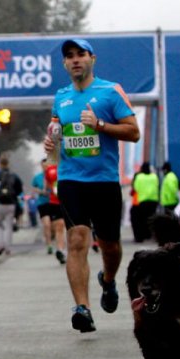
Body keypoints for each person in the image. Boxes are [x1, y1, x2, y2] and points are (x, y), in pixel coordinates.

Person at [43, 38, 140, 333]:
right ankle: (82, 308)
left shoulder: (111, 92)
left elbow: (134, 132)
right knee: (77, 240)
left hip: (105, 182)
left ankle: (108, 280)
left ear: (92, 59)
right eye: (69, 56)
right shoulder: (61, 97)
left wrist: (100, 125)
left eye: (80, 55)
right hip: (72, 180)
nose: (75, 60)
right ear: (64, 64)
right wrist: (51, 144)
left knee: (110, 246)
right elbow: (57, 138)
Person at [0, 157, 23, 256]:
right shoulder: (14, 176)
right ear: (8, 164)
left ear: (0, 164)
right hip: (11, 204)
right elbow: (19, 190)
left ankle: (0, 245)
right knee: (9, 226)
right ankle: (8, 247)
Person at [130, 162, 159, 242]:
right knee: (152, 219)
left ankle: (143, 236)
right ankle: (151, 235)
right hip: (154, 201)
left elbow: (136, 188)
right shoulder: (154, 176)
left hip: (143, 201)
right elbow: (157, 185)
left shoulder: (139, 177)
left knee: (142, 219)